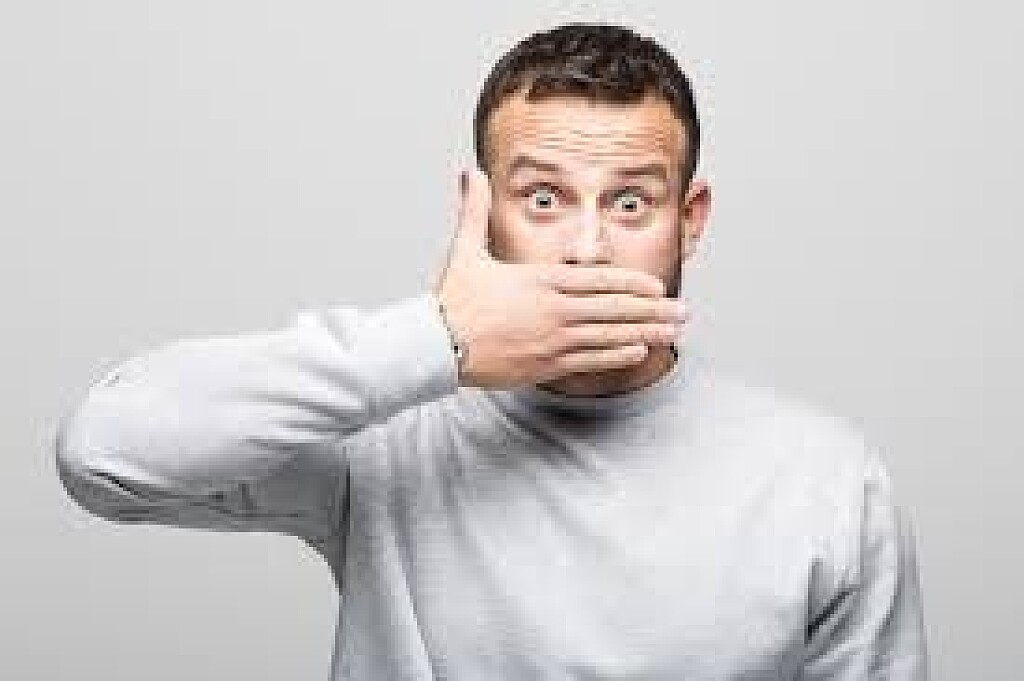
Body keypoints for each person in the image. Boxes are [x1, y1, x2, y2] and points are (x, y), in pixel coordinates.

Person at [54, 22, 929, 681]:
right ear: (478, 210)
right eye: (543, 198)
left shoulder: (823, 478)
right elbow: (104, 453)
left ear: (689, 220)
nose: (586, 250)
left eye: (631, 203)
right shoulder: (389, 438)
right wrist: (437, 336)